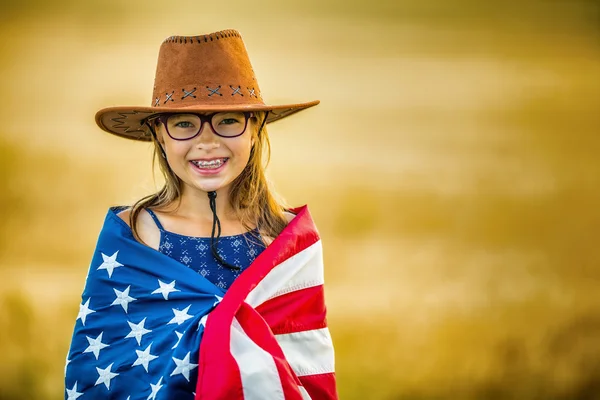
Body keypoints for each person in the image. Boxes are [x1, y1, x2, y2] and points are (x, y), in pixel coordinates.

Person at [64, 29, 338, 400]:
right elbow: (105, 369)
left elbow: (303, 366)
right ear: (159, 133)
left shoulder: (287, 240)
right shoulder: (135, 234)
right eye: (184, 123)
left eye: (228, 121)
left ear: (255, 130)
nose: (207, 141)